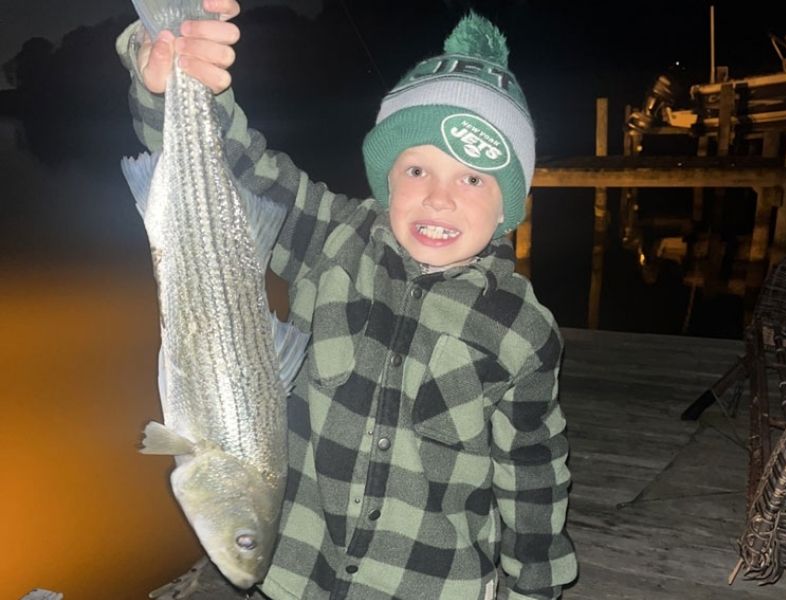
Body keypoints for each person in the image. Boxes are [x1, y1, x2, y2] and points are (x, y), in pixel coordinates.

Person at [116, 1, 578, 598]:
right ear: (387, 181)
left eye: (472, 178)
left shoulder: (521, 328)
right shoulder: (333, 240)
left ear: (507, 206)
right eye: (417, 171)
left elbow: (533, 475)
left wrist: (535, 588)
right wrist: (169, 80)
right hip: (297, 577)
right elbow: (233, 172)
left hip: (428, 583)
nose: (439, 198)